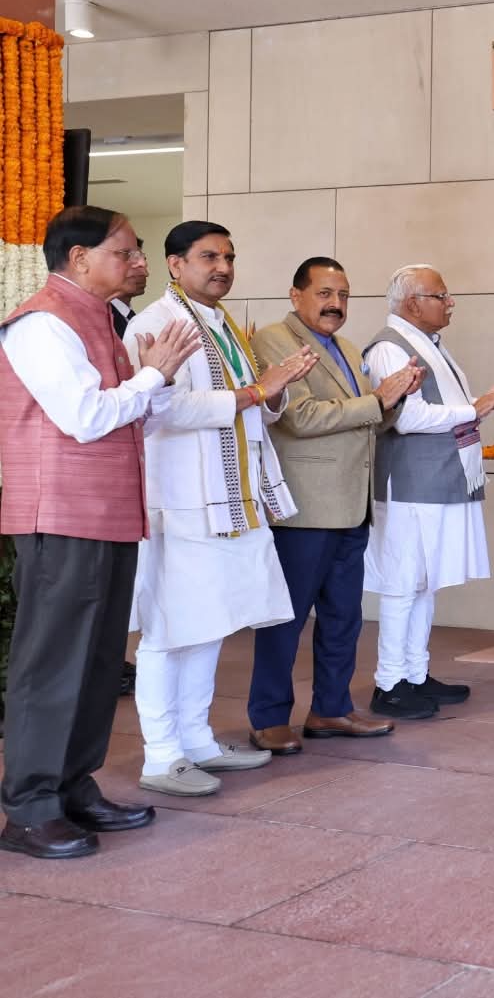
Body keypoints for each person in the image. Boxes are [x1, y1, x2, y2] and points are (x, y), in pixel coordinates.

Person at [0, 206, 199, 858]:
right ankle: (29, 808)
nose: (138, 261)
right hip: (60, 515)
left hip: (107, 512)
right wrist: (151, 376)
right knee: (53, 663)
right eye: (126, 251)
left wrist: (157, 381)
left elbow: (134, 416)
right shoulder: (42, 323)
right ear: (80, 257)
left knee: (96, 662)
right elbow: (85, 416)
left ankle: (72, 787)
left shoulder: (102, 318)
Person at [125, 221, 318, 797]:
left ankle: (198, 740)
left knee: (209, 624)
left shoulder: (223, 324)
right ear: (175, 264)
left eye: (229, 257)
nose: (223, 268)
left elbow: (255, 405)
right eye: (209, 257)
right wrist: (257, 391)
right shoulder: (156, 323)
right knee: (168, 630)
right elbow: (158, 409)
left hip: (230, 498)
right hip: (181, 500)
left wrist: (274, 391)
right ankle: (161, 756)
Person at [246, 257, 423, 754]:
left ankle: (331, 708)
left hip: (351, 503)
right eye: (324, 293)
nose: (335, 304)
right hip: (304, 506)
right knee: (286, 618)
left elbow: (369, 420)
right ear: (296, 295)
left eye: (343, 295)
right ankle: (268, 717)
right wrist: (377, 400)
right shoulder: (273, 341)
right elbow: (300, 417)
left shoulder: (346, 347)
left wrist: (397, 399)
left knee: (344, 616)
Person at [363, 264, 494, 719]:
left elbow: (446, 411)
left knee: (424, 584)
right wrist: (476, 407)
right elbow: (408, 419)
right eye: (441, 295)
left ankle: (415, 673)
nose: (450, 303)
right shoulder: (390, 348)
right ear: (413, 303)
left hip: (438, 478)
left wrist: (478, 405)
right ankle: (389, 684)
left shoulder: (429, 344)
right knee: (403, 583)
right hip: (411, 483)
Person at [111, 237, 149, 697]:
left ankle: (117, 655)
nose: (141, 265)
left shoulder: (131, 319)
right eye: (127, 255)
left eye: (142, 256)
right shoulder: (94, 321)